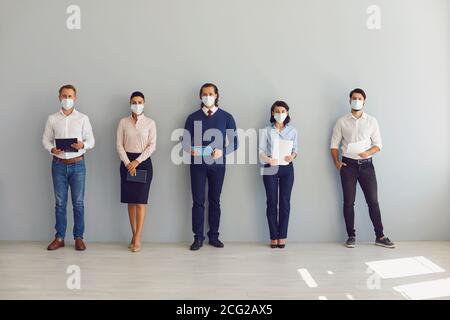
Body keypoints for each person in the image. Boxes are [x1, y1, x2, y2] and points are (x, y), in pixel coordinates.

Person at [330, 88, 395, 249]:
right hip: (348, 166)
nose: (356, 100)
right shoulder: (341, 121)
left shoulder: (372, 121)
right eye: (354, 98)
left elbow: (378, 144)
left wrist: (368, 152)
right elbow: (333, 145)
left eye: (359, 98)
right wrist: (337, 162)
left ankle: (380, 236)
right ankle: (351, 236)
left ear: (364, 101)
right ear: (349, 100)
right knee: (348, 202)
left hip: (367, 166)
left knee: (373, 202)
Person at [182, 83, 238, 251]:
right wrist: (190, 149)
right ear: (200, 96)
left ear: (216, 95)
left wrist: (222, 151)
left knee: (215, 200)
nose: (208, 97)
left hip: (218, 165)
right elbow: (185, 142)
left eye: (210, 94)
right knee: (197, 201)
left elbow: (235, 142)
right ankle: (198, 237)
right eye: (204, 94)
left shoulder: (227, 117)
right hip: (197, 165)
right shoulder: (192, 118)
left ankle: (214, 236)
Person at [42, 84, 95, 251]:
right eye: (64, 96)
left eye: (70, 96)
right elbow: (45, 140)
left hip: (78, 165)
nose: (67, 99)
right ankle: (59, 237)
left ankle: (79, 238)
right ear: (59, 97)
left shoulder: (83, 118)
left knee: (78, 203)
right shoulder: (52, 119)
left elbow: (92, 141)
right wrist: (52, 149)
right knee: (60, 203)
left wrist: (82, 145)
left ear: (75, 98)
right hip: (58, 165)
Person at [116, 91, 156, 252]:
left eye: (140, 102)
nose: (137, 104)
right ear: (130, 103)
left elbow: (152, 145)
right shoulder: (123, 122)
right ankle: (134, 234)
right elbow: (119, 145)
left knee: (140, 201)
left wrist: (137, 161)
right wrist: (128, 162)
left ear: (144, 103)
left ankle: (138, 237)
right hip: (126, 163)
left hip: (143, 162)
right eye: (134, 102)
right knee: (131, 201)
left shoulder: (150, 123)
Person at [259, 101, 298, 249]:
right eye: (277, 111)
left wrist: (292, 157)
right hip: (270, 167)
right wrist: (269, 159)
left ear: (287, 113)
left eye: (283, 111)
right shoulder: (266, 131)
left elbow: (295, 150)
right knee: (271, 201)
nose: (280, 114)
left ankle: (282, 236)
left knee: (285, 202)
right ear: (272, 113)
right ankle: (273, 237)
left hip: (287, 168)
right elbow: (260, 151)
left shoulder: (293, 131)